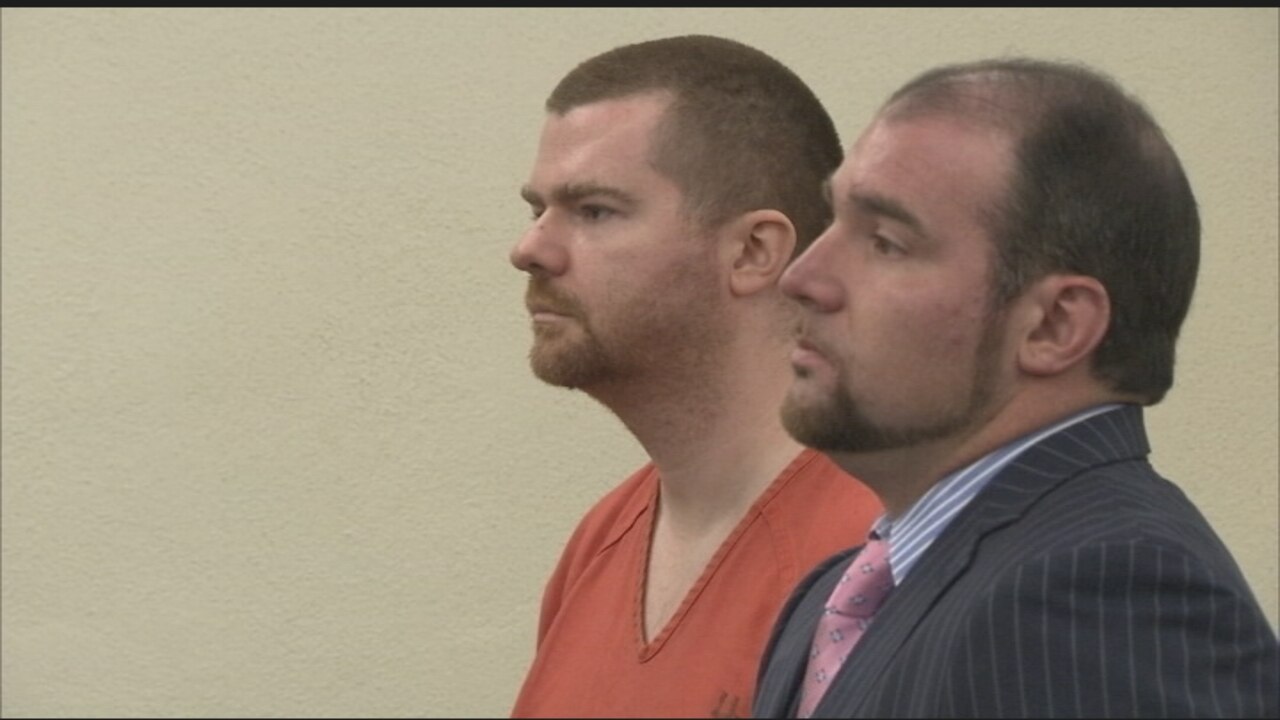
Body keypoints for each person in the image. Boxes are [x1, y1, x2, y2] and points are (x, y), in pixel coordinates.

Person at [753, 57, 1279, 718]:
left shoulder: (1104, 592)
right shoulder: (834, 599)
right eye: (833, 220)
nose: (802, 277)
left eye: (886, 242)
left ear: (1055, 325)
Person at [508, 35, 881, 718]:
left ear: (753, 251)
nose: (529, 249)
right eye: (538, 210)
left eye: (594, 210)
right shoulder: (600, 544)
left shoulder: (882, 557)